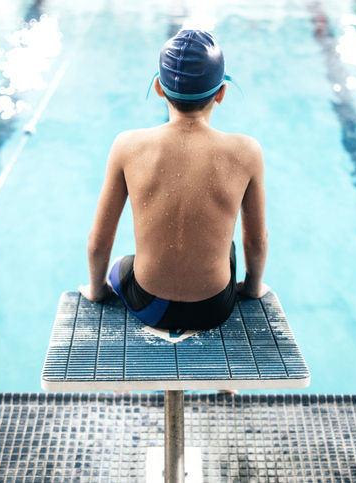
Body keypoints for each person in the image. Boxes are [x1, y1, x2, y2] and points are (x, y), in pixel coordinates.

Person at [79, 29, 268, 330]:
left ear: (158, 87)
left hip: (149, 305)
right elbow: (256, 241)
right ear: (221, 93)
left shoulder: (127, 145)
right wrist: (252, 288)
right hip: (214, 309)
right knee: (228, 248)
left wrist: (97, 290)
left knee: (120, 265)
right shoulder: (247, 152)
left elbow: (98, 241)